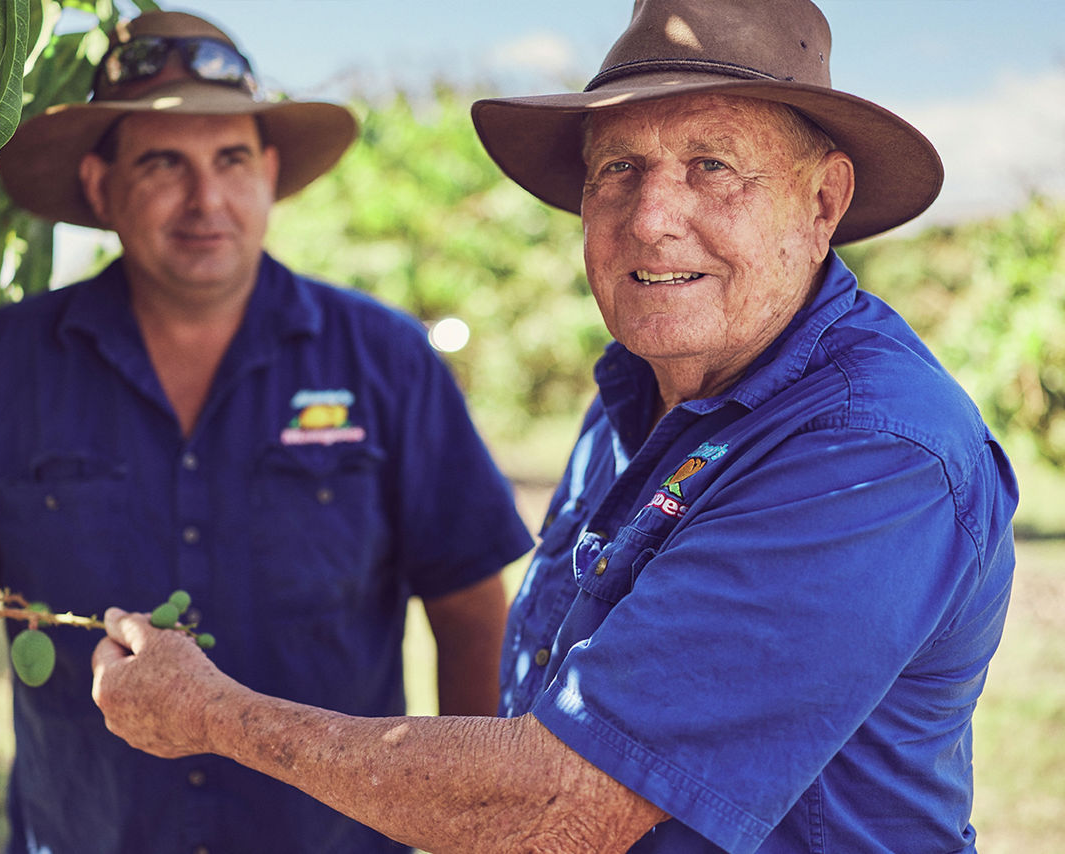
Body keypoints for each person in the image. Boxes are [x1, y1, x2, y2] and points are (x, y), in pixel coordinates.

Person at [89, 1, 1020, 852]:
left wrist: (215, 717)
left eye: (713, 166)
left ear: (822, 203)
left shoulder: (872, 451)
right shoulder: (639, 391)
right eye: (620, 169)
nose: (653, 218)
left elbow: (559, 804)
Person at [0, 10, 533, 854]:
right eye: (165, 162)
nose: (207, 200)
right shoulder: (2, 365)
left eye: (231, 160)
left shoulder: (384, 359)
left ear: (269, 173)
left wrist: (472, 827)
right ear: (100, 185)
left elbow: (467, 609)